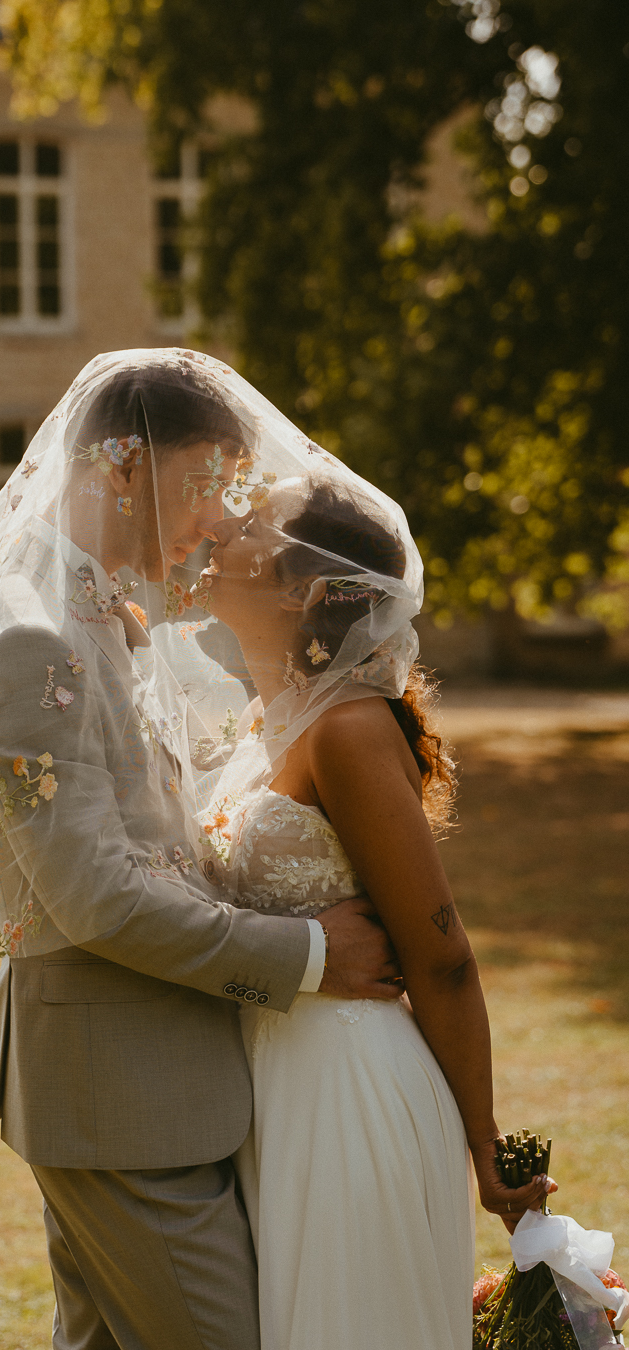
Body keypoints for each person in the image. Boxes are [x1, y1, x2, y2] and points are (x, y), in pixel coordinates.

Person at [0, 350, 407, 1350]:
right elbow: (96, 897)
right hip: (122, 1102)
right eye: (202, 482)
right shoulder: (37, 646)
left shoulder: (106, 627)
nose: (212, 518)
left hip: (141, 1091)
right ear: (121, 467)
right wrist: (314, 955)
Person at [192, 472, 554, 1349]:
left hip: (349, 1089)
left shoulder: (349, 728)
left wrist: (484, 1148)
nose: (219, 530)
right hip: (269, 1087)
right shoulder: (263, 723)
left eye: (248, 528)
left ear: (302, 588)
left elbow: (444, 955)